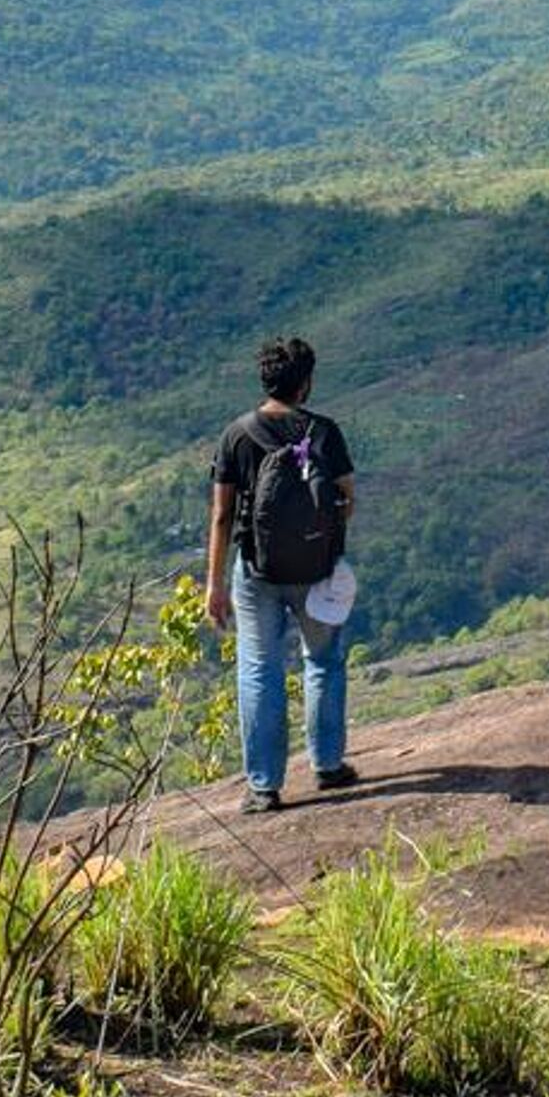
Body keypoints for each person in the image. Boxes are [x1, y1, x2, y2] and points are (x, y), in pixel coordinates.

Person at [203, 334, 358, 814]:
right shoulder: (325, 433)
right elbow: (347, 499)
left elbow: (222, 516)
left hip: (256, 572)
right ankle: (328, 765)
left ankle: (264, 786)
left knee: (259, 670)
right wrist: (318, 540)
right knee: (324, 660)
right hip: (316, 569)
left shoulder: (237, 435)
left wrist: (213, 583)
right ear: (306, 383)